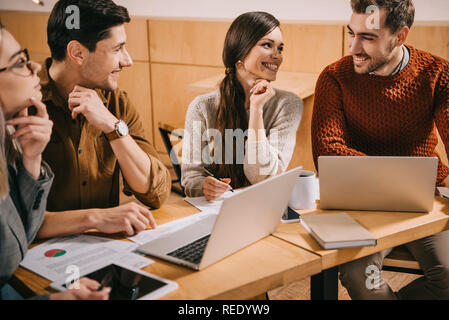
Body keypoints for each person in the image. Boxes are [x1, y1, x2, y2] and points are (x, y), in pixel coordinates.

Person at [312, 0, 449, 299]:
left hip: (423, 203)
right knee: (361, 276)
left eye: (368, 38)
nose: (353, 48)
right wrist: (405, 174)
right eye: (352, 33)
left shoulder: (438, 73)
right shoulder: (334, 77)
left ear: (400, 36)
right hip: (361, 205)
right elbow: (328, 152)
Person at [36, 0, 172, 239]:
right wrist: (95, 218)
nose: (127, 60)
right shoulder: (21, 106)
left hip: (103, 252)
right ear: (77, 53)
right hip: (38, 260)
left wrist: (113, 127)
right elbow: (16, 220)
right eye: (117, 49)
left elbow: (157, 192)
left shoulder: (117, 103)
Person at [0, 21, 110, 300]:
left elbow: (19, 241)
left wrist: (32, 158)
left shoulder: (9, 139)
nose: (35, 67)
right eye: (20, 62)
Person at [181, 11, 303, 200]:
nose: (277, 55)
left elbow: (261, 177)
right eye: (267, 45)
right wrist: (205, 187)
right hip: (216, 210)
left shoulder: (288, 105)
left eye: (280, 48)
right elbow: (191, 178)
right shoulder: (201, 107)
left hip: (264, 207)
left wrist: (256, 110)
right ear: (240, 51)